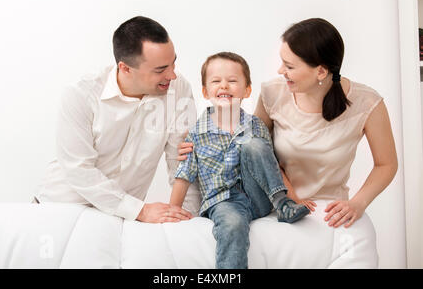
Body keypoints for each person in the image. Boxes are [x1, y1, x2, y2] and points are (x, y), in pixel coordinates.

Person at [178, 18, 398, 230]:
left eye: (289, 66)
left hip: (325, 206)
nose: (280, 71)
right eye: (282, 62)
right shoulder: (273, 92)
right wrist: (195, 148)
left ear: (320, 71)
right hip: (272, 202)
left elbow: (386, 164)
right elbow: (252, 151)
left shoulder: (367, 103)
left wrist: (359, 203)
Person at [34, 16, 200, 223]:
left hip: (121, 220)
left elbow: (183, 159)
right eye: (160, 70)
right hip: (60, 209)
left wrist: (188, 218)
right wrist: (141, 211)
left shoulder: (179, 89)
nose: (172, 75)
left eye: (173, 63)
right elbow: (79, 170)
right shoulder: (80, 94)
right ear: (125, 68)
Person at [169, 52, 309, 269]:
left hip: (258, 196)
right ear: (206, 92)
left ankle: (283, 205)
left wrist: (294, 198)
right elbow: (184, 173)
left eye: (232, 81)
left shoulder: (256, 125)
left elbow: (270, 166)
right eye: (216, 81)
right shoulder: (197, 133)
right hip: (223, 201)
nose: (224, 86)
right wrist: (172, 209)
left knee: (253, 144)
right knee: (232, 225)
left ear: (247, 90)